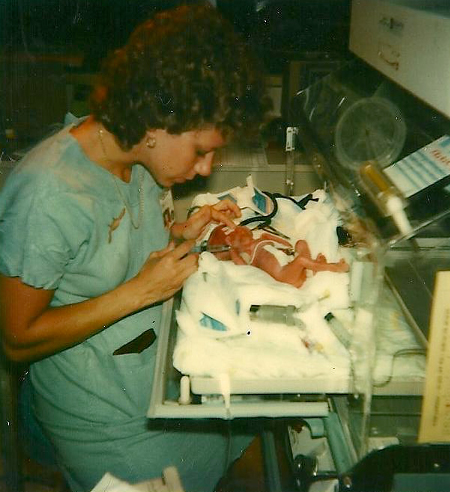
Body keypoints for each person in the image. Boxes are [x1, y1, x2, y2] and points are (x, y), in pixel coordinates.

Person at [0, 4, 270, 491]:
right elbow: (16, 337)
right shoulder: (48, 194)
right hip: (101, 422)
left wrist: (180, 233)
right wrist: (141, 293)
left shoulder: (138, 160)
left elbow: (106, 249)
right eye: (200, 150)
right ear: (155, 122)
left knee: (261, 444)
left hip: (148, 381)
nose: (206, 168)